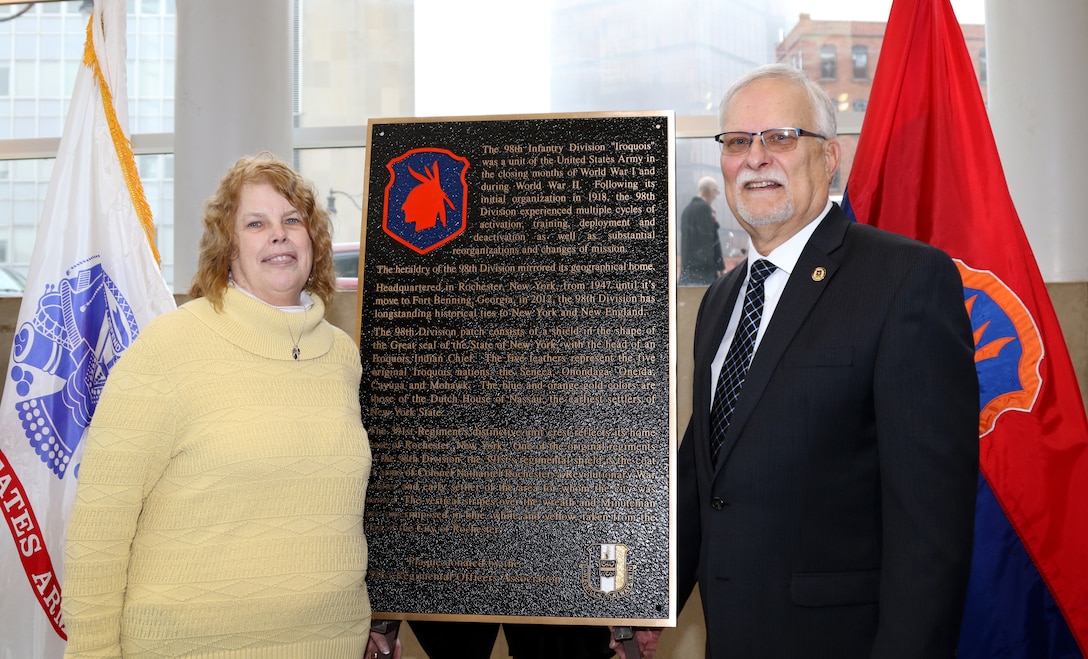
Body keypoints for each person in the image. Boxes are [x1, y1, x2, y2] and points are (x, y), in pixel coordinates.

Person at [615, 64, 979, 658]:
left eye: (781, 137)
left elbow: (930, 527)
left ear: (829, 157)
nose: (755, 157)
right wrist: (643, 600)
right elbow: (706, 470)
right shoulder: (721, 300)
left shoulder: (905, 279)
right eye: (737, 141)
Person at [62, 152, 398, 658]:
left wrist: (371, 621)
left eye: (292, 220)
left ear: (314, 240)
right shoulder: (168, 348)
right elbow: (99, 526)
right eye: (256, 223)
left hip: (330, 643)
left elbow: (342, 510)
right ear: (228, 247)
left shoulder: (341, 357)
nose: (279, 235)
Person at [678, 176, 725, 285]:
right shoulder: (705, 209)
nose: (715, 196)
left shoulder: (686, 210)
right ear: (711, 190)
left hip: (688, 273)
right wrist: (719, 267)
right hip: (704, 274)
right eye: (716, 192)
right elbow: (710, 240)